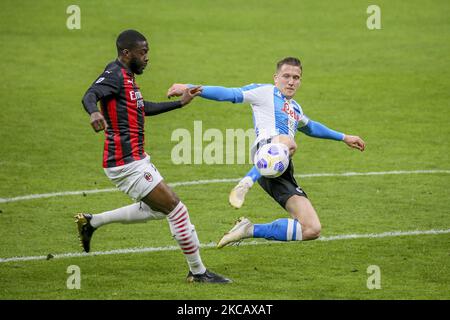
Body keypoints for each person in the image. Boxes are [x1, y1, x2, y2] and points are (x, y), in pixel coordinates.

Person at [78, 29, 231, 283]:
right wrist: (93, 112)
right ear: (126, 53)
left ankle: (92, 223)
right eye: (143, 52)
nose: (147, 57)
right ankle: (198, 272)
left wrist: (179, 103)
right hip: (125, 162)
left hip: (136, 158)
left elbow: (142, 107)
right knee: (177, 210)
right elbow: (89, 94)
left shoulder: (126, 77)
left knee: (158, 210)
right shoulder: (115, 75)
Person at [167, 57, 365, 248]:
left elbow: (311, 127)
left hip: (282, 167)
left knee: (311, 229)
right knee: (289, 141)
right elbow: (229, 94)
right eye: (286, 76)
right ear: (275, 77)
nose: (291, 82)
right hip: (265, 152)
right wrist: (188, 87)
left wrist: (344, 137)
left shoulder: (295, 108)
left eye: (296, 78)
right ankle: (247, 181)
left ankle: (249, 229)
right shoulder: (264, 92)